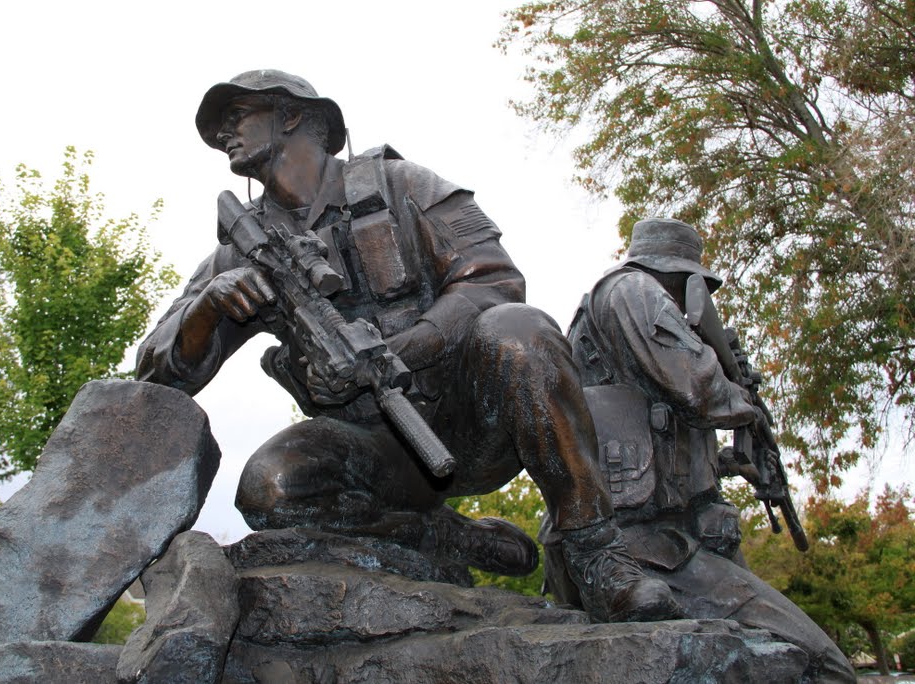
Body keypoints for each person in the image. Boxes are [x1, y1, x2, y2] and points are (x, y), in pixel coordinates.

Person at [136, 69, 681, 623]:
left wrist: (402, 348)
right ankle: (444, 537)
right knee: (269, 488)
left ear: (293, 114)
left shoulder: (401, 186)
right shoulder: (243, 248)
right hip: (375, 453)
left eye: (239, 116)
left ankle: (597, 555)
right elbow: (158, 376)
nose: (226, 133)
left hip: (467, 427)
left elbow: (494, 282)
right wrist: (209, 306)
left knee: (521, 330)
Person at [546, 217, 854, 681]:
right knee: (824, 666)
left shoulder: (638, 309)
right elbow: (698, 387)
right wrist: (746, 403)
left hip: (668, 543)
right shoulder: (634, 290)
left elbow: (668, 430)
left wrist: (737, 461)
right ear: (682, 274)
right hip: (632, 546)